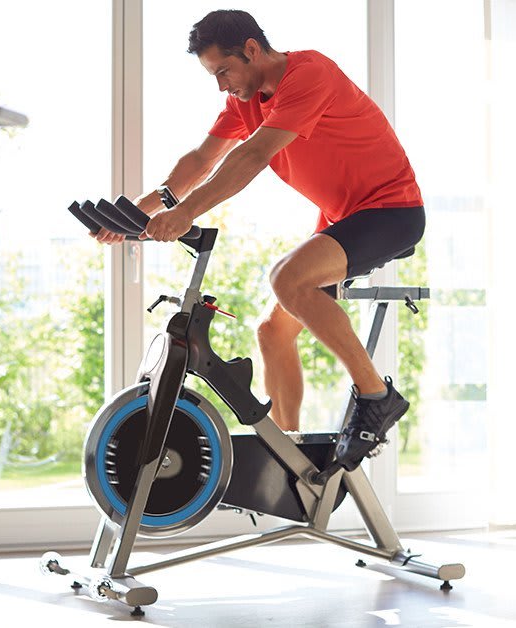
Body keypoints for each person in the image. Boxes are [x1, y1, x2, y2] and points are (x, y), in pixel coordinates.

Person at [89, 9, 425, 472]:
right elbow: (202, 160)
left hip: (391, 211)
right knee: (272, 332)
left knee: (287, 279)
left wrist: (184, 213)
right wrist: (137, 212)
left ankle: (376, 396)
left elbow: (253, 155)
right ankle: (290, 461)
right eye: (213, 76)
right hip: (343, 219)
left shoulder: (309, 74)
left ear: (251, 49)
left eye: (223, 71)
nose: (221, 85)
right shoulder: (244, 101)